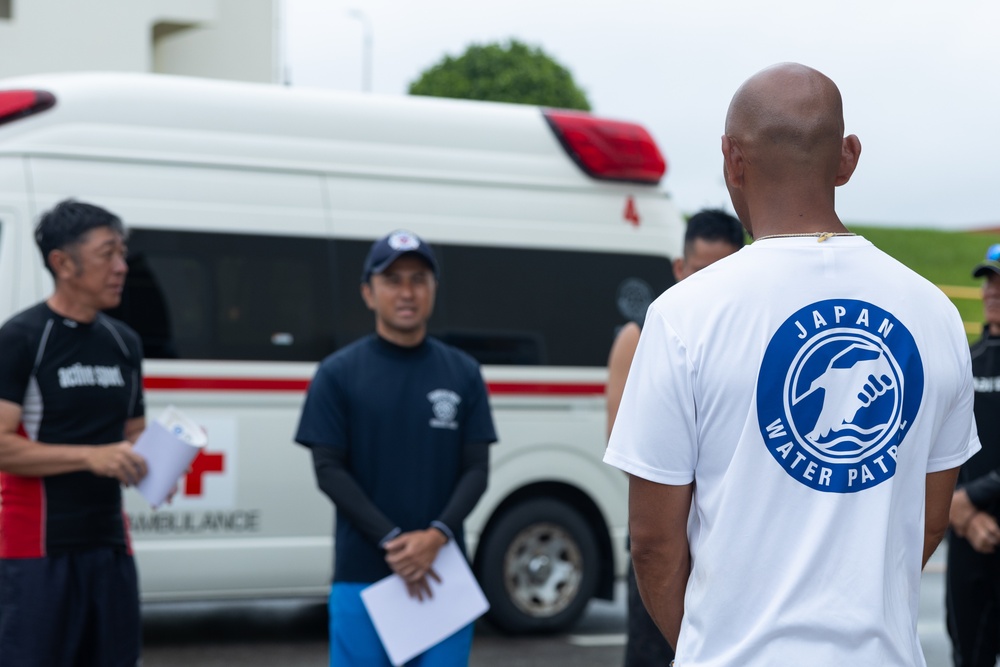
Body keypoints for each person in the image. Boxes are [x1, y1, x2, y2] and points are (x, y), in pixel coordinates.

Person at [604, 62, 980, 666]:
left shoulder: (682, 314)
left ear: (732, 159)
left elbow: (652, 542)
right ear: (848, 157)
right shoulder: (934, 315)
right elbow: (929, 521)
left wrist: (712, 645)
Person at [295, 229, 497, 666]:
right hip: (362, 576)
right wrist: (393, 541)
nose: (407, 292)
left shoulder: (462, 373)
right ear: (368, 292)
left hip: (443, 574)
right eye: (393, 280)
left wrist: (436, 536)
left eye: (419, 279)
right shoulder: (337, 373)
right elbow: (328, 467)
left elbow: (477, 469)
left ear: (433, 290)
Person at [0, 199, 149, 666]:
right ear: (62, 263)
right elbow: (2, 445)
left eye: (122, 254)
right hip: (36, 549)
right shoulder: (23, 337)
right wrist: (91, 457)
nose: (121, 267)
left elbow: (132, 433)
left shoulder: (125, 341)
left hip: (110, 545)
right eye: (108, 254)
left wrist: (164, 454)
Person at [605, 208, 744, 667]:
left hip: (727, 542)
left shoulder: (746, 338)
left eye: (723, 273)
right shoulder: (643, 335)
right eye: (701, 273)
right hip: (668, 531)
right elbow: (628, 447)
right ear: (679, 268)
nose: (709, 287)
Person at [945, 243, 1000, 666]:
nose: (992, 292)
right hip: (968, 537)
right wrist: (960, 512)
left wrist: (971, 500)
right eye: (987, 282)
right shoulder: (966, 361)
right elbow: (940, 445)